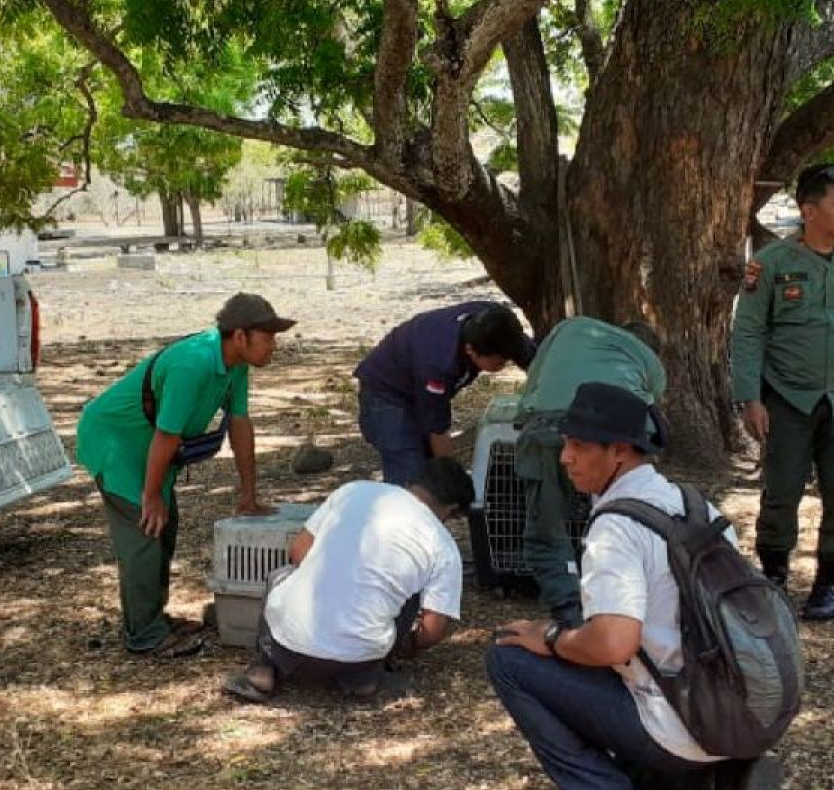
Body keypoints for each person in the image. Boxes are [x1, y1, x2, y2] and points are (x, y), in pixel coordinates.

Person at [486, 383, 782, 790]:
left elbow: (613, 644)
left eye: (579, 446)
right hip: (733, 712)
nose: (565, 458)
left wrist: (550, 637)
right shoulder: (695, 505)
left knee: (508, 660)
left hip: (676, 727)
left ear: (620, 451)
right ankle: (698, 777)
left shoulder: (616, 527)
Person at [76, 292, 295, 657]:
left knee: (166, 526)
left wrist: (248, 494)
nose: (274, 345)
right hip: (117, 443)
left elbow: (240, 425)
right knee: (144, 530)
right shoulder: (192, 364)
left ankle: (153, 616)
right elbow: (166, 435)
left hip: (148, 448)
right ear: (240, 336)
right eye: (268, 336)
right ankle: (143, 634)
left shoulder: (234, 365)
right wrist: (150, 495)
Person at [731, 163, 834, 621]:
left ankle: (828, 584)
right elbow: (747, 333)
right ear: (809, 210)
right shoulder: (772, 264)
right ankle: (775, 576)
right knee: (781, 492)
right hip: (789, 399)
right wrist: (750, 398)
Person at [223, 457, 473, 703]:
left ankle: (263, 670)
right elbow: (432, 631)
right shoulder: (443, 546)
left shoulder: (354, 490)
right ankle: (363, 680)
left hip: (288, 646)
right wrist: (408, 645)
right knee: (408, 593)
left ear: (412, 482)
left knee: (280, 577)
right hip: (361, 658)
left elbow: (297, 552)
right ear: (451, 510)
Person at [514, 316, 666, 626]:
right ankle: (617, 600)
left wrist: (524, 419)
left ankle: (568, 610)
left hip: (547, 429)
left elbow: (533, 379)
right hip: (610, 442)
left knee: (547, 531)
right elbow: (646, 415)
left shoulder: (570, 327)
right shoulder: (650, 363)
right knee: (620, 517)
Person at [354, 301, 535, 485]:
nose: (504, 365)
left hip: (421, 385)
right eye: (498, 362)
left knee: (430, 470)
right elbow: (438, 429)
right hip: (386, 394)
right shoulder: (439, 363)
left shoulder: (499, 327)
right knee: (411, 474)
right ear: (470, 350)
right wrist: (454, 481)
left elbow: (536, 364)